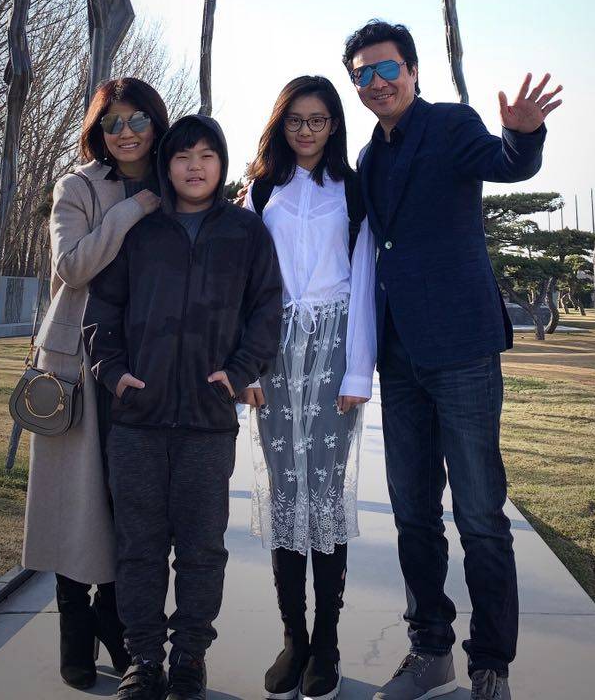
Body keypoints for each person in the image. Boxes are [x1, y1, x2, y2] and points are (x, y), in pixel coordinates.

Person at [343, 20, 562, 700]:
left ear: (412, 71)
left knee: (479, 514)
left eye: (388, 70)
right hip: (399, 355)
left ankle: (490, 664)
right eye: (364, 75)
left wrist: (522, 134)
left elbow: (507, 164)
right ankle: (428, 649)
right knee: (412, 510)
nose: (377, 83)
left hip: (462, 349)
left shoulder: (451, 125)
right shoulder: (370, 159)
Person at [84, 113, 283, 700]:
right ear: (166, 165)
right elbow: (103, 311)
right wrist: (115, 376)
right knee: (139, 548)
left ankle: (190, 657)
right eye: (181, 156)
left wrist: (240, 373)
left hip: (207, 423)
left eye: (207, 156)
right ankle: (143, 659)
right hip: (138, 423)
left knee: (201, 550)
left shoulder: (246, 233)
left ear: (221, 165)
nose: (194, 167)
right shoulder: (140, 231)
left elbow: (266, 312)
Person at [22, 76, 170, 690]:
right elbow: (72, 266)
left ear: (156, 124)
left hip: (144, 357)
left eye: (138, 119)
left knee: (122, 498)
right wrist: (135, 208)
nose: (127, 131)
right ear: (98, 131)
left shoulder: (175, 181)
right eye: (113, 122)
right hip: (76, 360)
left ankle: (115, 620)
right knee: (72, 500)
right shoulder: (78, 186)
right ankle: (73, 631)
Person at [242, 76, 376, 700]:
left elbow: (366, 282)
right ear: (281, 123)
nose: (306, 130)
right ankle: (294, 638)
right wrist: (244, 367)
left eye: (318, 119)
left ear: (333, 125)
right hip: (273, 357)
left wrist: (357, 372)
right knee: (284, 491)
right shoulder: (261, 190)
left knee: (323, 494)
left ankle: (328, 640)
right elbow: (244, 286)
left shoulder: (351, 191)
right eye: (295, 119)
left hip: (332, 352)